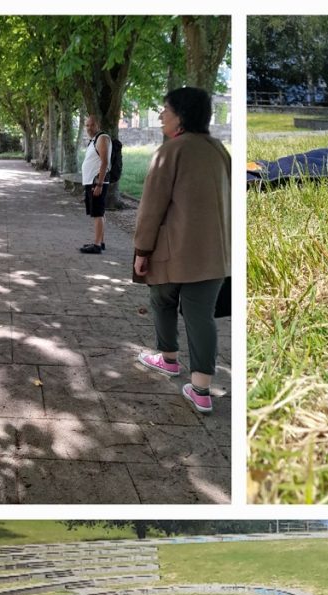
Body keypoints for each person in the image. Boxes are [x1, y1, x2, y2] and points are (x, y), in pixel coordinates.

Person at [134, 86, 230, 415]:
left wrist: (141, 250)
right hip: (214, 253)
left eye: (165, 109)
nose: (161, 115)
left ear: (182, 115)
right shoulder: (220, 151)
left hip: (172, 251)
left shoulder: (169, 151)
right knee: (201, 317)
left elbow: (151, 207)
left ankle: (168, 358)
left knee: (161, 298)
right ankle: (201, 389)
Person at [79, 114, 110, 254]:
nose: (89, 128)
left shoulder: (102, 138)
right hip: (92, 181)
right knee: (99, 212)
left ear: (98, 125)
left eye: (92, 125)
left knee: (98, 213)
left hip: (96, 182)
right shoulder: (94, 140)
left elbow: (104, 162)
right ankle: (100, 241)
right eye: (87, 125)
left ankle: (97, 245)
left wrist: (99, 184)